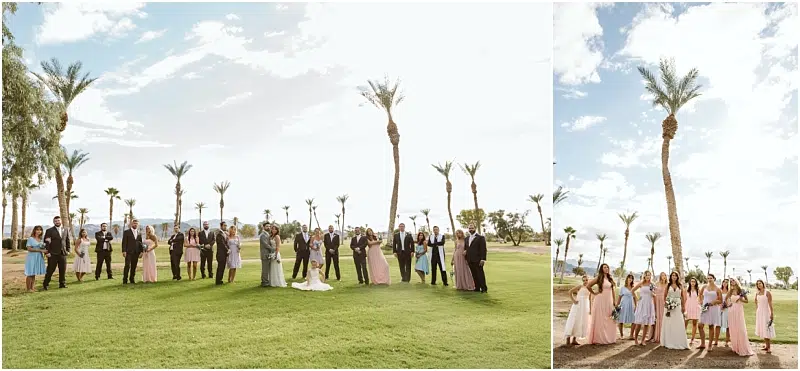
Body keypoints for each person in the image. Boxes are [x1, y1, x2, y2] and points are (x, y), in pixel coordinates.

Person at [587, 263, 616, 344]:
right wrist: (594, 293)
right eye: (604, 267)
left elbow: (612, 290)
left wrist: (614, 301)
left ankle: (608, 337)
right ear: (601, 269)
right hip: (600, 301)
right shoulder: (599, 278)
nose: (606, 268)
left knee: (609, 318)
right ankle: (598, 339)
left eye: (607, 267)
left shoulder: (610, 278)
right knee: (600, 319)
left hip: (609, 301)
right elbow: (588, 286)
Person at [660, 271, 689, 350]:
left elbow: (682, 297)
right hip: (669, 306)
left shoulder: (680, 285)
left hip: (678, 306)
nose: (674, 277)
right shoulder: (668, 285)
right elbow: (664, 296)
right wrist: (667, 305)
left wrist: (683, 307)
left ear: (677, 277)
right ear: (671, 276)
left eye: (675, 275)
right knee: (669, 323)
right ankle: (668, 341)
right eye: (673, 275)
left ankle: (679, 341)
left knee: (678, 322)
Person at [726, 278, 754, 356]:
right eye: (731, 281)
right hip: (731, 310)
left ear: (736, 281)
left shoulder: (741, 290)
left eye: (733, 280)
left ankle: (742, 347)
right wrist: (728, 304)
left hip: (739, 310)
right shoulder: (730, 291)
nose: (732, 282)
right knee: (733, 328)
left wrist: (741, 300)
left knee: (740, 328)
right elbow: (726, 299)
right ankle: (735, 347)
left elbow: (747, 301)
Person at [42, 215, 70, 290]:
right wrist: (47, 252)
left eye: (58, 220)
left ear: (61, 221)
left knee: (63, 269)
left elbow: (67, 240)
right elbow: (46, 242)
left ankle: (62, 284)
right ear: (53, 222)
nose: (57, 222)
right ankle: (45, 284)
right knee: (50, 270)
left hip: (63, 253)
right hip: (52, 254)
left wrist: (68, 250)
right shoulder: (49, 230)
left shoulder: (65, 229)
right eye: (55, 221)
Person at [564, 275, 592, 345]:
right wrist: (573, 300)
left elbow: (590, 299)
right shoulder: (580, 286)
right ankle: (568, 338)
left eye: (586, 280)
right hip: (578, 305)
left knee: (581, 321)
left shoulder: (590, 288)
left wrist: (590, 309)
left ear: (588, 280)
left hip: (585, 306)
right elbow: (570, 292)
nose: (585, 281)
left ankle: (574, 339)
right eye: (584, 280)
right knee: (573, 320)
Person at [699, 273, 723, 351]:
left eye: (711, 278)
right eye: (708, 278)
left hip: (713, 308)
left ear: (714, 279)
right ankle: (702, 343)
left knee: (711, 326)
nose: (709, 279)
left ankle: (710, 345)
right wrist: (701, 301)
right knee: (700, 325)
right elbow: (700, 294)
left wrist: (714, 302)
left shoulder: (717, 289)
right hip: (704, 307)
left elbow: (720, 300)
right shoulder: (704, 287)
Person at [632, 271, 655, 346]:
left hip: (649, 303)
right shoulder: (641, 283)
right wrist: (637, 298)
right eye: (647, 275)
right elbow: (632, 290)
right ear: (644, 276)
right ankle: (636, 339)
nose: (648, 276)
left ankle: (643, 340)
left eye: (649, 275)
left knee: (646, 323)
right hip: (641, 303)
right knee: (638, 323)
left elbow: (653, 294)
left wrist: (653, 294)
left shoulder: (652, 284)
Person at [464, 223, 487, 293]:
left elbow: (483, 249)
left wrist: (483, 259)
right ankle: (477, 287)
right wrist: (466, 255)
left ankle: (484, 288)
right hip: (469, 259)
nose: (471, 229)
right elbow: (466, 248)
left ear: (475, 228)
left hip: (478, 259)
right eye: (469, 228)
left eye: (472, 228)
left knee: (480, 274)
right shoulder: (466, 238)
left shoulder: (480, 238)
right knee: (474, 274)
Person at [754, 280, 775, 353]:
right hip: (759, 313)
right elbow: (755, 301)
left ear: (763, 284)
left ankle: (769, 347)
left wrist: (772, 313)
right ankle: (766, 346)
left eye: (760, 283)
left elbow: (770, 304)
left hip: (766, 313)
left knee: (767, 329)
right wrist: (757, 309)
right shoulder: (757, 293)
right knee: (762, 328)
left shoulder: (767, 292)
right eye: (757, 284)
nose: (759, 285)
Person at [24, 226, 47, 292]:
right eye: (37, 230)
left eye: (40, 230)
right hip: (32, 257)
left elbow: (43, 248)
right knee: (30, 273)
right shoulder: (31, 239)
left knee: (33, 273)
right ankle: (28, 289)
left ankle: (32, 288)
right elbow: (29, 249)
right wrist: (40, 250)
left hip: (38, 257)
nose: (39, 231)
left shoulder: (41, 239)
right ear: (34, 231)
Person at [121, 219, 143, 285]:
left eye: (136, 223)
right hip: (128, 252)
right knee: (127, 265)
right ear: (131, 224)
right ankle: (125, 280)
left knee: (134, 266)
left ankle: (132, 279)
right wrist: (124, 251)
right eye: (134, 223)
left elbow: (140, 243)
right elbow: (124, 242)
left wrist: (141, 251)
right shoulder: (126, 232)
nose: (135, 224)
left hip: (136, 252)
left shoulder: (139, 233)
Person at [617, 274, 637, 339]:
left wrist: (636, 305)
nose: (630, 279)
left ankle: (631, 335)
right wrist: (617, 306)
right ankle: (621, 335)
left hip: (631, 305)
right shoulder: (622, 288)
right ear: (627, 279)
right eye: (629, 278)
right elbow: (619, 297)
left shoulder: (633, 288)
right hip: (623, 304)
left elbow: (635, 298)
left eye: (632, 278)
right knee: (621, 319)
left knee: (634, 320)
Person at [650, 272, 668, 343]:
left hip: (665, 302)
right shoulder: (656, 284)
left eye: (664, 275)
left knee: (664, 318)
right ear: (660, 276)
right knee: (658, 318)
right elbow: (652, 292)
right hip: (658, 302)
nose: (663, 276)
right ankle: (657, 335)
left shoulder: (667, 284)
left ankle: (664, 336)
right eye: (662, 275)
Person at [685, 278, 701, 344]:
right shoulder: (687, 290)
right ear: (690, 282)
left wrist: (700, 305)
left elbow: (701, 299)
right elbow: (684, 299)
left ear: (696, 283)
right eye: (691, 281)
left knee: (694, 324)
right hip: (687, 308)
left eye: (694, 281)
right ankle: (683, 338)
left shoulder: (698, 290)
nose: (693, 283)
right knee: (685, 323)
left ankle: (692, 339)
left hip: (695, 308)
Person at [259, 222, 275, 287]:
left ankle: (266, 281)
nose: (268, 227)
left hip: (268, 254)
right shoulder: (263, 235)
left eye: (269, 226)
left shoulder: (267, 234)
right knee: (265, 269)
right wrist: (272, 249)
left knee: (267, 269)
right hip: (265, 254)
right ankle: (264, 282)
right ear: (263, 227)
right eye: (267, 226)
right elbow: (265, 244)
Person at [717, 279, 730, 347]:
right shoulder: (719, 290)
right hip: (719, 309)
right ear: (722, 283)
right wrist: (720, 305)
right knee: (718, 325)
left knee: (728, 325)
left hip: (727, 309)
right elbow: (717, 299)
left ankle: (727, 341)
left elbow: (730, 301)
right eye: (724, 282)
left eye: (726, 282)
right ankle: (716, 341)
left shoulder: (729, 291)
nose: (725, 283)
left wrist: (726, 306)